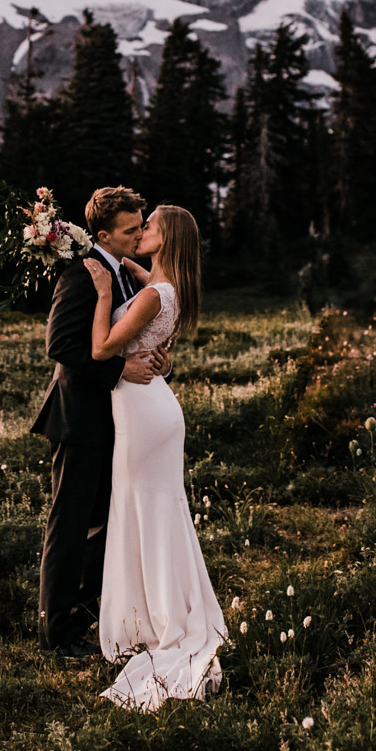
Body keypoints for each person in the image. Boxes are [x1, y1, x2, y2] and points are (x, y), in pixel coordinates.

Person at [79, 203, 227, 710]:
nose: (142, 231)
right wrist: (126, 270)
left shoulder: (148, 298)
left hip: (143, 412)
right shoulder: (169, 289)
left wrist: (103, 292)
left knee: (142, 512)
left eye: (150, 227)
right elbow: (146, 278)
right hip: (156, 410)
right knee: (159, 512)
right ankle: (163, 610)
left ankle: (157, 618)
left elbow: (100, 349)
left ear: (164, 240)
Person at [31, 187, 170, 657]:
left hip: (116, 421)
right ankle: (57, 636)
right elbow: (60, 345)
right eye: (131, 230)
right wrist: (118, 370)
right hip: (78, 419)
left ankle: (87, 607)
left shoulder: (126, 276)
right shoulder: (82, 275)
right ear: (104, 235)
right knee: (68, 527)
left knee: (112, 521)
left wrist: (154, 361)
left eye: (141, 225)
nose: (138, 235)